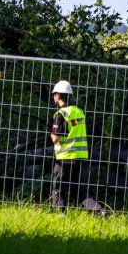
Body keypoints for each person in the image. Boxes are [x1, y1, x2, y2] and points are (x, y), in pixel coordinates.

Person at [49, 80, 89, 209]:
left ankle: (60, 214)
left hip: (65, 157)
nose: (54, 96)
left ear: (58, 95)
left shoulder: (61, 114)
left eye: (54, 94)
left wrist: (51, 135)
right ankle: (98, 210)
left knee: (58, 188)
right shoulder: (78, 111)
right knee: (78, 190)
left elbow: (55, 138)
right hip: (79, 156)